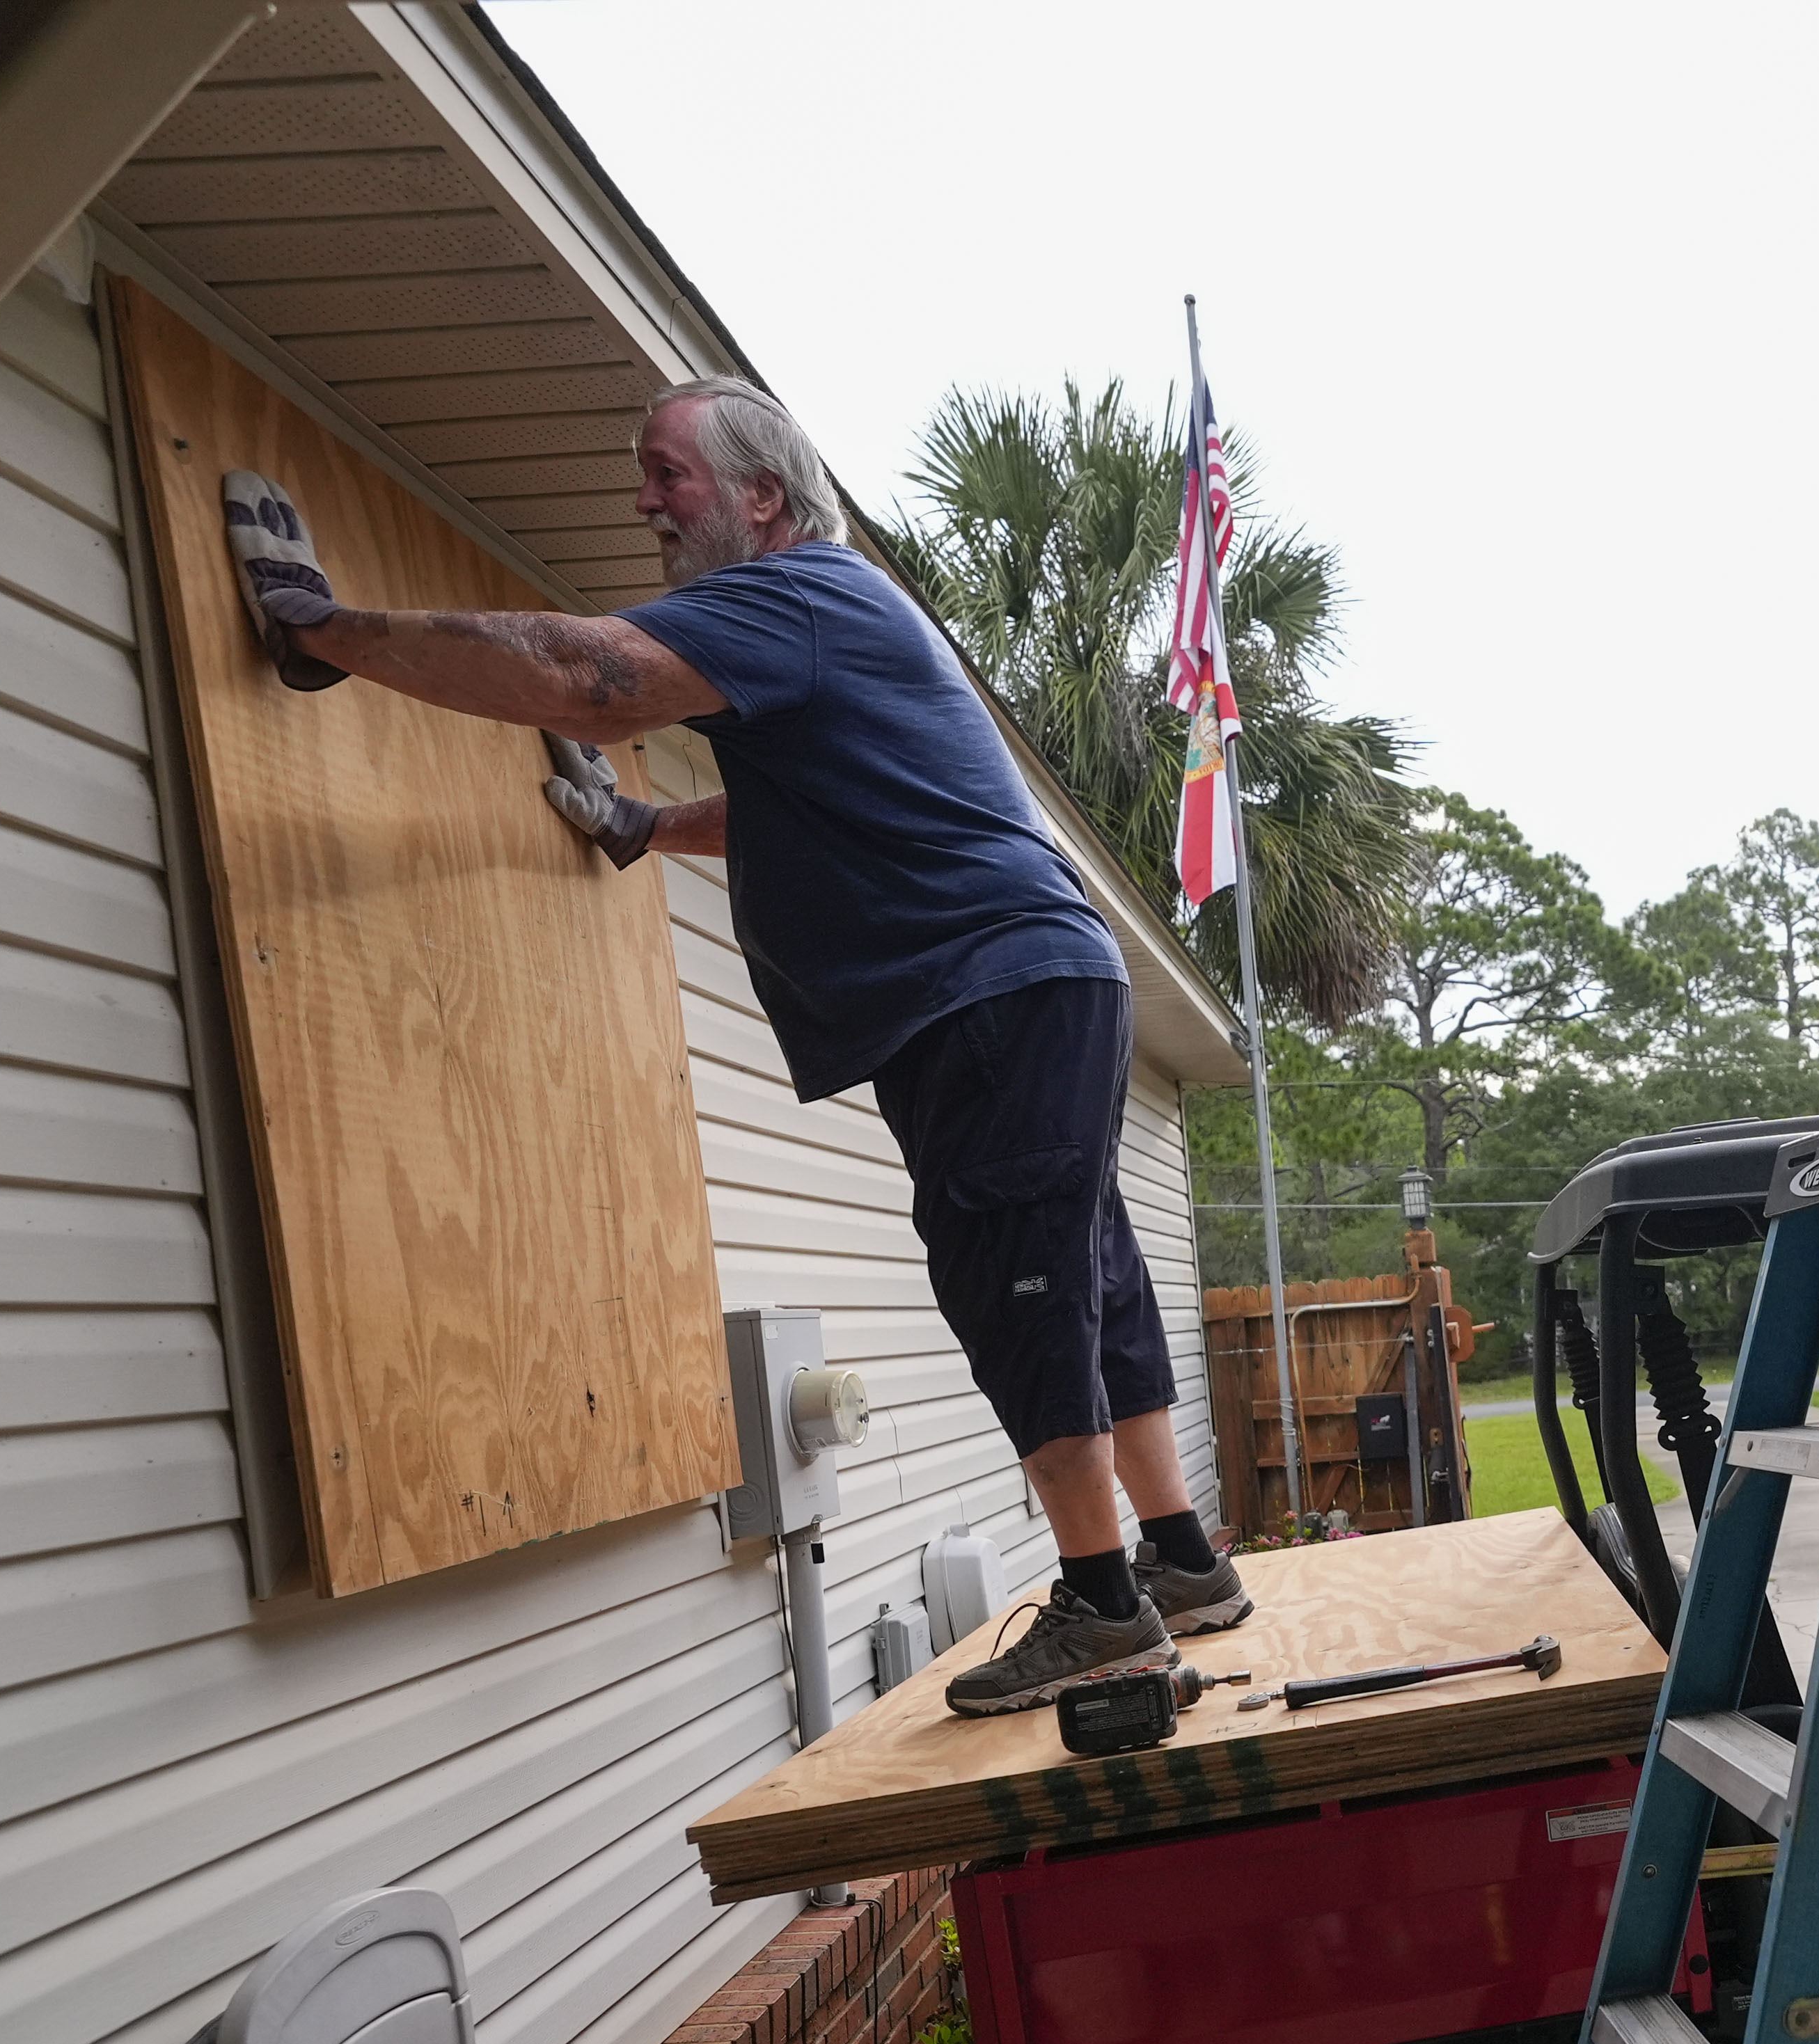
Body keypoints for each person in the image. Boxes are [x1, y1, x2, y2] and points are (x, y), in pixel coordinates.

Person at [217, 380, 1247, 1714]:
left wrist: (327, 629)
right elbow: (818, 807)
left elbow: (586, 681)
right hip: (1028, 982)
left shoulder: (798, 597)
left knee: (1020, 1277)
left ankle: (1107, 1606)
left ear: (763, 495)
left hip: (984, 992)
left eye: (667, 474)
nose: (644, 501)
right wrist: (652, 828)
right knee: (1081, 1267)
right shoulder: (825, 627)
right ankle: (1178, 1565)